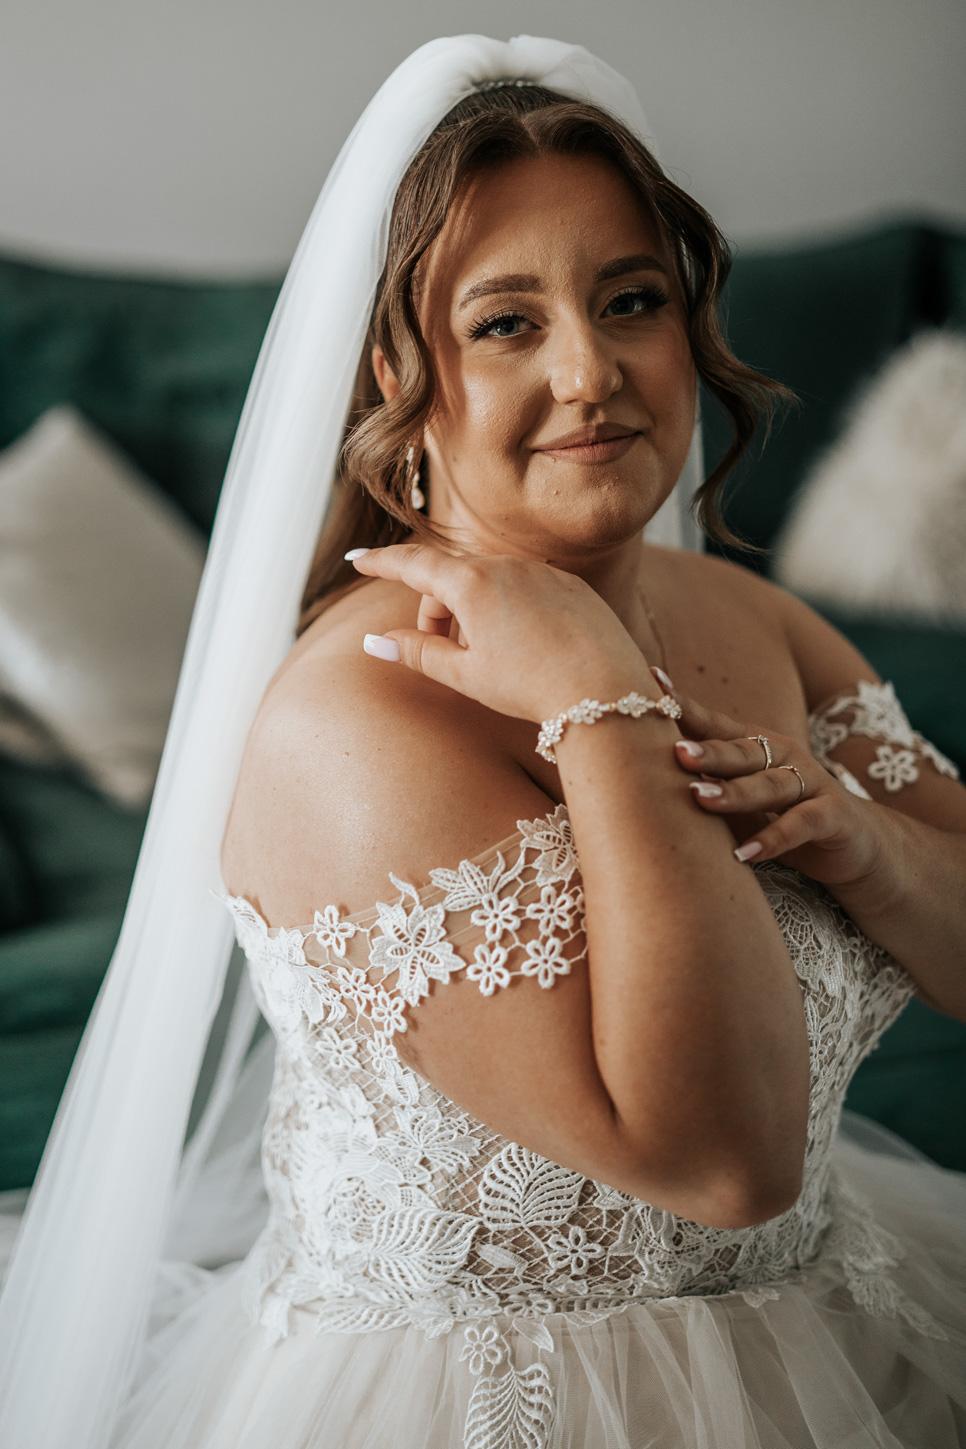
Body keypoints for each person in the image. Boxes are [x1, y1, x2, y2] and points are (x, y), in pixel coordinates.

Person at [1, 33, 965, 1449]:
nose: (592, 371)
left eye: (630, 300)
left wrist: (865, 846)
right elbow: (724, 1161)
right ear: (396, 373)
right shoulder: (352, 720)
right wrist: (602, 702)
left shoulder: (748, 615)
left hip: (838, 1331)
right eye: (507, 323)